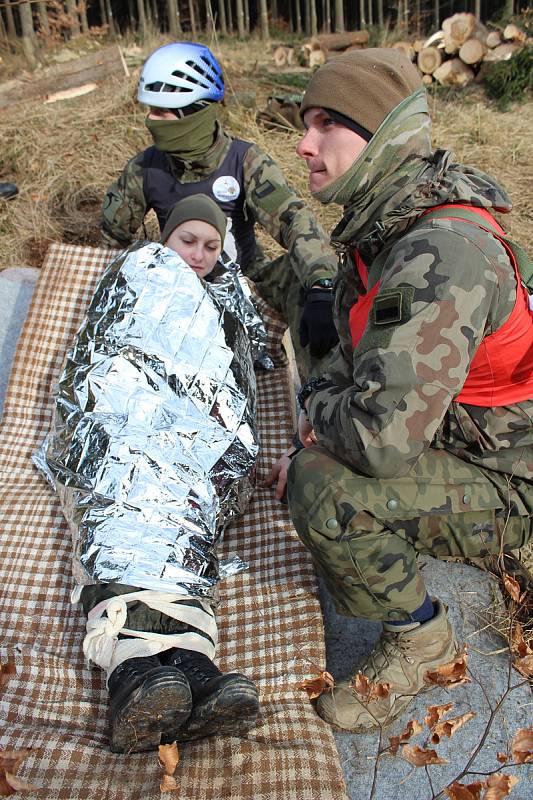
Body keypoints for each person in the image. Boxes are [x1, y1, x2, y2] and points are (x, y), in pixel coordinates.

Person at [279, 48, 533, 733]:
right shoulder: (385, 227)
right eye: (305, 123)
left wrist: (312, 417)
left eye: (327, 123)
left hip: (513, 481)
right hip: (469, 439)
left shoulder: (437, 253)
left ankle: (422, 642)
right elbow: (350, 351)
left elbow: (380, 441)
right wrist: (324, 402)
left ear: (381, 135)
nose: (303, 144)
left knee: (321, 484)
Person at [42, 195, 262, 753]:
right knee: (123, 508)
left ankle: (193, 669)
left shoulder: (225, 293)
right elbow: (103, 351)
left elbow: (243, 360)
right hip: (123, 417)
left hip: (193, 437)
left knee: (182, 522)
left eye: (211, 246)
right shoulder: (140, 272)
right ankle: (134, 678)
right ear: (164, 240)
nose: (198, 255)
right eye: (187, 240)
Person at [101, 41, 338, 380]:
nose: (151, 121)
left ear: (195, 112)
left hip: (247, 287)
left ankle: (321, 401)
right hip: (177, 295)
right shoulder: (146, 168)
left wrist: (322, 285)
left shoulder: (244, 160)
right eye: (151, 110)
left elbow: (295, 221)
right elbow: (111, 245)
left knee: (306, 279)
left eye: (163, 113)